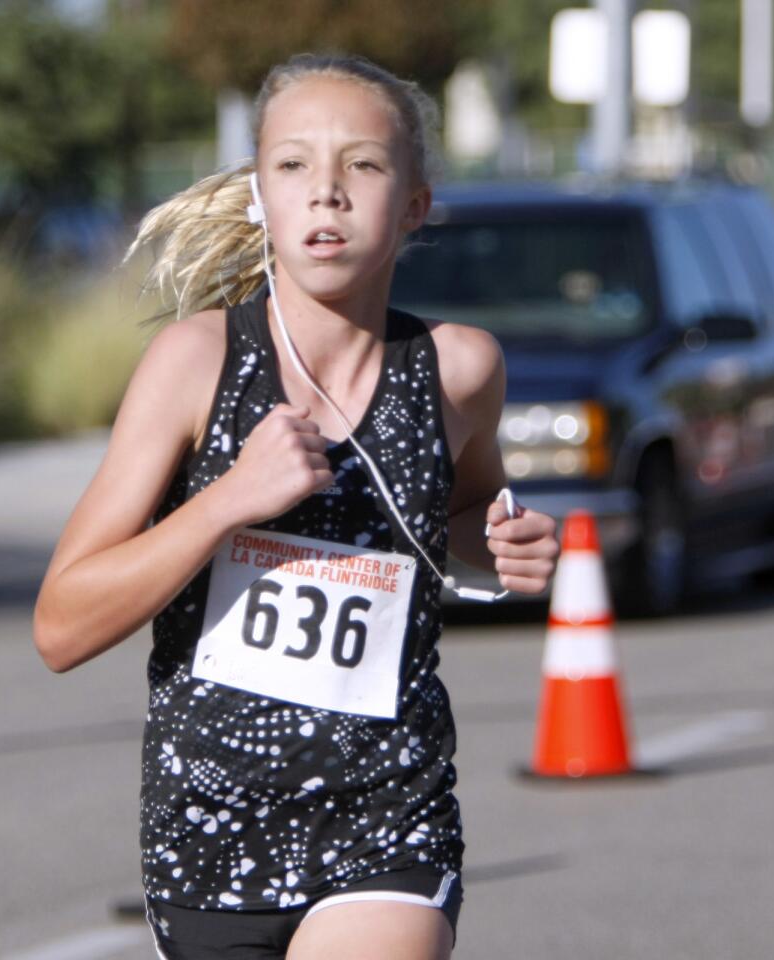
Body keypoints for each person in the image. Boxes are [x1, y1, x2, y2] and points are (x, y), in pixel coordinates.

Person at [32, 52, 559, 960]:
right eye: (292, 166)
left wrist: (501, 545)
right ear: (257, 200)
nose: (327, 193)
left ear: (416, 205)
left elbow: (456, 529)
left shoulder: (461, 369)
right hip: (210, 834)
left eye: (363, 164)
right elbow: (62, 627)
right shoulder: (195, 366)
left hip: (387, 816)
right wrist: (227, 501)